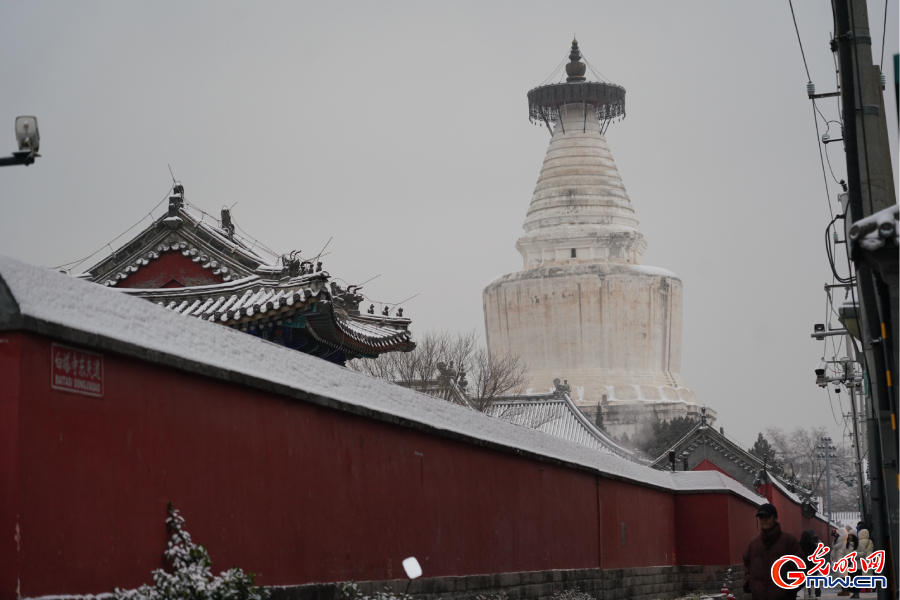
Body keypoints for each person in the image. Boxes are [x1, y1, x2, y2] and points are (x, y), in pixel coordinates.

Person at [743, 503, 804, 600]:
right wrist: (749, 582)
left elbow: (800, 567)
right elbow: (747, 563)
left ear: (775, 518)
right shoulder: (754, 543)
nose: (764, 520)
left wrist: (789, 588)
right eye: (761, 517)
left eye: (767, 516)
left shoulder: (788, 541)